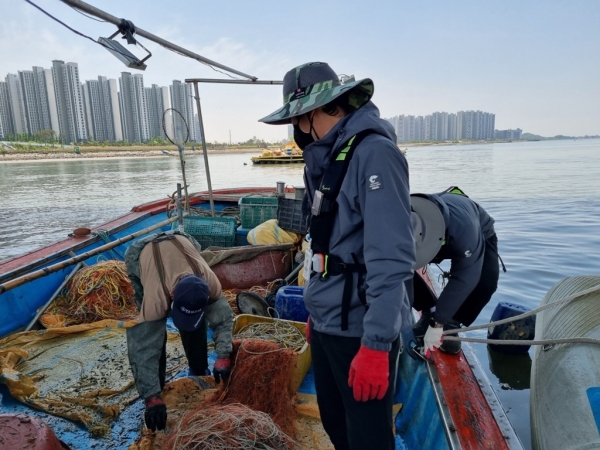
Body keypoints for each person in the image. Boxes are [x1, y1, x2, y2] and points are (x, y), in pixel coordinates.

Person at [259, 62, 416, 450]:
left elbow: (391, 259)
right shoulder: (329, 159)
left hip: (361, 329)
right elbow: (324, 246)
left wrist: (377, 347)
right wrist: (315, 312)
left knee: (368, 438)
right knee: (335, 424)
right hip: (328, 322)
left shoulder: (375, 154)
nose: (297, 132)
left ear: (314, 112)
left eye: (297, 120)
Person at [124, 230, 234, 432]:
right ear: (172, 297)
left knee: (195, 328)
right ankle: (157, 387)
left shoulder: (210, 283)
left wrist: (224, 354)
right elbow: (143, 348)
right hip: (142, 253)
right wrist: (151, 397)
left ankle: (199, 369)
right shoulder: (156, 299)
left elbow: (224, 319)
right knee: (152, 332)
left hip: (183, 240)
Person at [411, 187, 504, 355]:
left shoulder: (464, 231)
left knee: (486, 284)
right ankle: (428, 309)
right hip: (421, 237)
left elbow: (465, 277)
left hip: (477, 233)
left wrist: (438, 323)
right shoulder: (403, 212)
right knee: (400, 269)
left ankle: (453, 322)